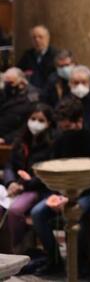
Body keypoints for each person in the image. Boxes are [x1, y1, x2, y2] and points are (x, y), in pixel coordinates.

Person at [31, 97, 90, 274]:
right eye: (62, 128)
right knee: (37, 213)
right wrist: (58, 195)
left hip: (89, 192)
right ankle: (55, 260)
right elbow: (54, 167)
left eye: (68, 127)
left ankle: (78, 263)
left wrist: (70, 197)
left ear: (79, 121)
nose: (65, 132)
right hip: (62, 190)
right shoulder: (60, 139)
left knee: (77, 212)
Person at [0, 103, 54, 255]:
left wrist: (25, 185)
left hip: (37, 189)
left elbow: (46, 174)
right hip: (15, 187)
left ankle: (17, 249)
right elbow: (10, 164)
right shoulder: (21, 139)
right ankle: (3, 249)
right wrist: (10, 182)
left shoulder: (51, 144)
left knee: (15, 210)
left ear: (49, 123)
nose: (35, 123)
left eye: (41, 120)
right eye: (33, 118)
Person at [16, 25, 58, 90]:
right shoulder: (28, 54)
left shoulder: (56, 55)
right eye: (34, 37)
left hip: (49, 93)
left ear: (47, 38)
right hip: (29, 91)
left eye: (40, 37)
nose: (37, 40)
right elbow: (18, 70)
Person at [0, 68, 34, 143]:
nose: (7, 85)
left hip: (13, 142)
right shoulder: (3, 94)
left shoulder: (30, 99)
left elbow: (26, 126)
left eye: (11, 82)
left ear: (21, 81)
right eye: (6, 82)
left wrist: (6, 139)